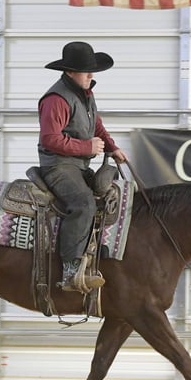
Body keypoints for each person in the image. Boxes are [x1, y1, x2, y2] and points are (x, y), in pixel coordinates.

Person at [37, 41, 128, 293]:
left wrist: (112, 147)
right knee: (83, 203)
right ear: (69, 72)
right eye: (86, 70)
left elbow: (96, 125)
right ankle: (70, 269)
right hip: (58, 167)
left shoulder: (85, 94)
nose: (91, 75)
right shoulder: (56, 99)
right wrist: (87, 148)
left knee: (109, 197)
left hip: (76, 166)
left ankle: (94, 254)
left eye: (92, 70)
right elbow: (50, 139)